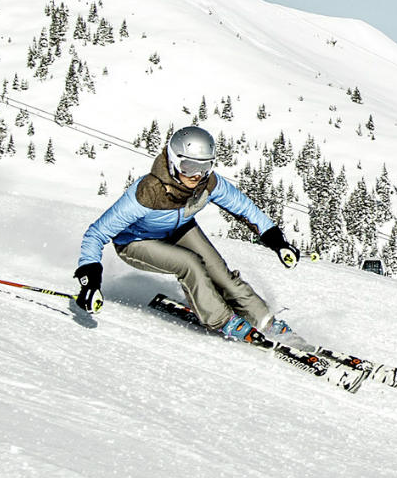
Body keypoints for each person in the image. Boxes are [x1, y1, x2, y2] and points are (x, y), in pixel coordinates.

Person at [76, 125, 307, 345]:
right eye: (188, 167)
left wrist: (277, 242)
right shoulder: (148, 193)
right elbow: (96, 234)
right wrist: (90, 281)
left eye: (204, 167)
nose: (196, 176)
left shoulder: (208, 183)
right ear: (175, 162)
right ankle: (221, 319)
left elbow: (244, 208)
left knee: (220, 273)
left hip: (179, 229)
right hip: (136, 241)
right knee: (190, 264)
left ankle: (265, 321)